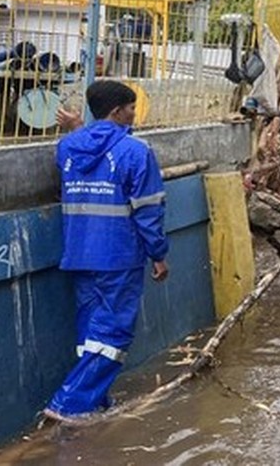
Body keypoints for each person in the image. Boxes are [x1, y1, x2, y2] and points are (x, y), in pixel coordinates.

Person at [44, 80, 169, 423]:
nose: (134, 114)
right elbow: (148, 210)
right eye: (131, 108)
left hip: (78, 253)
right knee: (113, 334)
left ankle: (96, 401)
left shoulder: (68, 146)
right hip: (119, 256)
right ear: (117, 111)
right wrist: (158, 254)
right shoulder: (137, 151)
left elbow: (94, 146)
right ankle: (69, 404)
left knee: (90, 331)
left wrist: (76, 127)